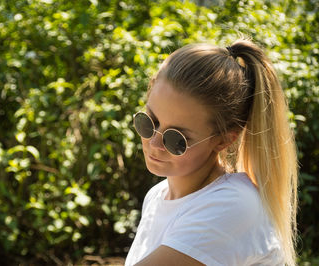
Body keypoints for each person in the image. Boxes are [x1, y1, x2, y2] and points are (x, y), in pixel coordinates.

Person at [125, 39, 298, 266]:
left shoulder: (234, 205)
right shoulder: (158, 196)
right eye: (148, 122)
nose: (154, 143)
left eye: (177, 139)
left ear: (223, 140)